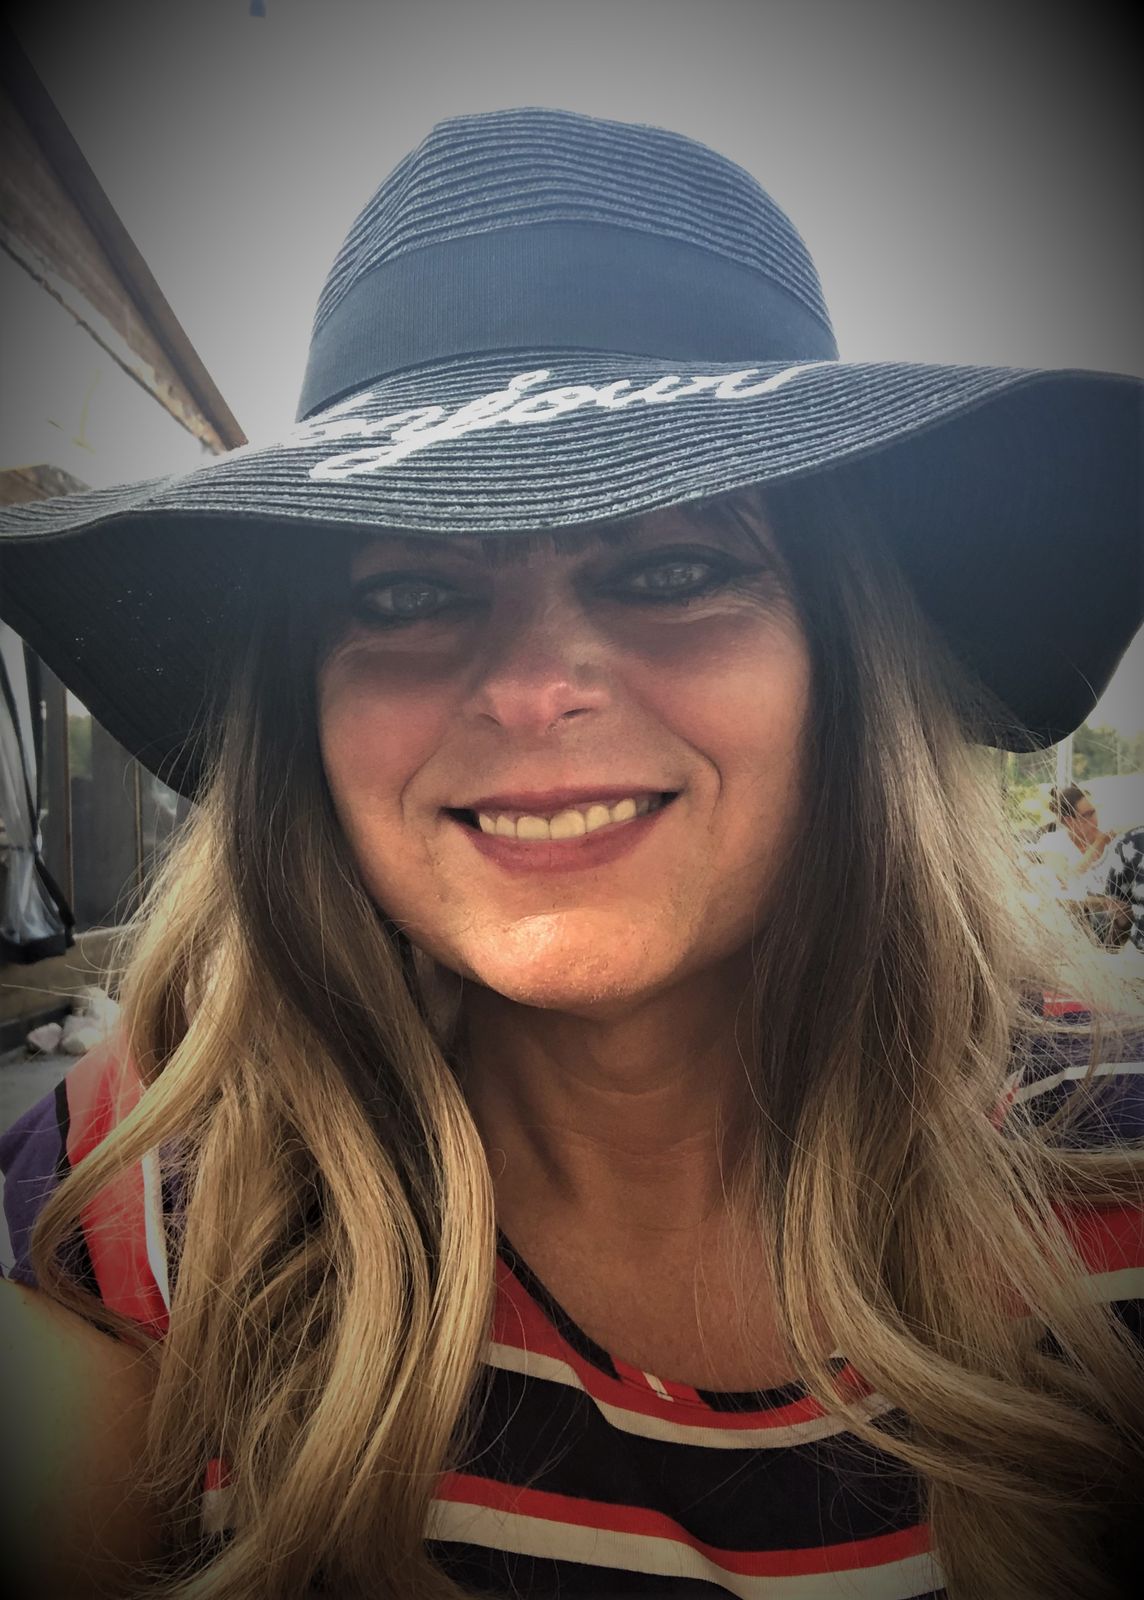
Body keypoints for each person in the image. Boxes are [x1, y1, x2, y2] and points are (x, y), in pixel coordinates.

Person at [0, 107, 1142, 1600]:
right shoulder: (147, 1212)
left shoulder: (1114, 1186)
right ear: (303, 714)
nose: (535, 689)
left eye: (672, 568)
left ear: (843, 666)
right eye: (405, 593)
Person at [1041, 786, 1132, 946]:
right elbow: (1065, 882)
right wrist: (1098, 844)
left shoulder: (1115, 839)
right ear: (1069, 821)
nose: (1095, 820)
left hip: (1123, 915)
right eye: (1087, 815)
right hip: (1084, 920)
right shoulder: (1053, 843)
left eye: (1094, 812)